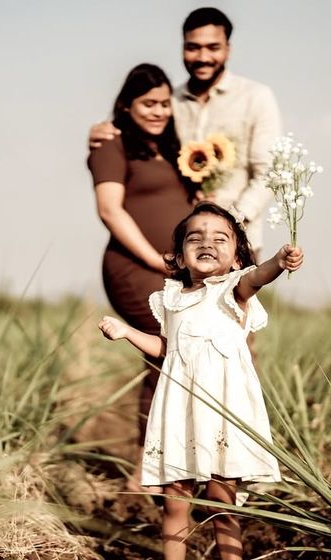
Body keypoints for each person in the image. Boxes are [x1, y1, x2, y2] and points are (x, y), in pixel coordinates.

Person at [98, 202, 304, 560]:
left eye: (220, 238)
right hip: (180, 409)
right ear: (177, 258)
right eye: (196, 238)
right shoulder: (171, 299)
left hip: (224, 410)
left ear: (238, 259)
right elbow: (166, 348)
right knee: (175, 498)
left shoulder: (234, 290)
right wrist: (127, 332)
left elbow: (261, 275)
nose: (207, 242)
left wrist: (279, 260)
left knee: (221, 501)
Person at [89, 6, 281, 259]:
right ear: (182, 47)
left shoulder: (255, 97)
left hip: (238, 242)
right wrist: (102, 129)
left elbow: (270, 173)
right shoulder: (169, 102)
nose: (203, 56)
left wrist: (231, 220)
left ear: (228, 49)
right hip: (184, 249)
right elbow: (136, 134)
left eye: (213, 47)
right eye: (193, 47)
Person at [87, 63, 193, 489]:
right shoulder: (111, 145)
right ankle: (142, 467)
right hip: (134, 267)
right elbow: (109, 210)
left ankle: (173, 461)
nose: (159, 111)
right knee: (167, 352)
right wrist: (155, 258)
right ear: (127, 105)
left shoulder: (171, 147)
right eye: (149, 103)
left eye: (165, 103)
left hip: (173, 272)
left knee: (176, 356)